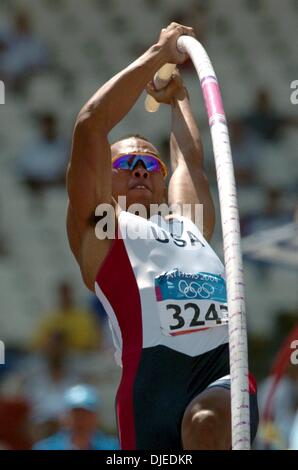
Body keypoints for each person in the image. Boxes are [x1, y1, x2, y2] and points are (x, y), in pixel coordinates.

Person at [66, 22, 259, 449]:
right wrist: (158, 53)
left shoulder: (189, 220)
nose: (139, 169)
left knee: (207, 422)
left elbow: (189, 158)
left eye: (150, 165)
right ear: (104, 178)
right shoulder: (102, 226)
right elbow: (90, 125)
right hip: (150, 387)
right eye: (126, 163)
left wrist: (179, 98)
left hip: (220, 370)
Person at [33, 384, 119, 450]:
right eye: (75, 415)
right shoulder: (45, 448)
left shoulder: (113, 447)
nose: (80, 421)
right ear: (64, 417)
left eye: (85, 415)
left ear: (95, 417)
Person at [31, 281, 102, 352]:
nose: (65, 297)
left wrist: (67, 339)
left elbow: (93, 343)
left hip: (80, 358)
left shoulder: (84, 317)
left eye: (67, 294)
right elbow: (36, 343)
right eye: (62, 294)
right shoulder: (50, 319)